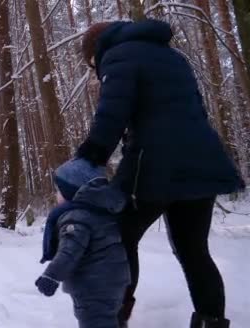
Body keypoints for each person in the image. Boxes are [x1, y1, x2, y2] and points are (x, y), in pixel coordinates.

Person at [76, 19, 246, 327]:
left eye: (92, 64)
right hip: (201, 161)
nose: (95, 71)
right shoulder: (171, 55)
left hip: (152, 167)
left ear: (97, 50)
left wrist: (90, 156)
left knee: (119, 240)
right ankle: (212, 321)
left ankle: (111, 318)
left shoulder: (117, 55)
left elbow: (112, 113)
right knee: (194, 251)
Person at [35, 159, 130, 328]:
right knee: (109, 318)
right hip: (114, 280)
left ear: (73, 192)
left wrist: (51, 276)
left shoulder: (75, 217)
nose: (56, 195)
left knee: (95, 322)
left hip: (93, 285)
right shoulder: (101, 211)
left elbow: (69, 252)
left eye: (59, 190)